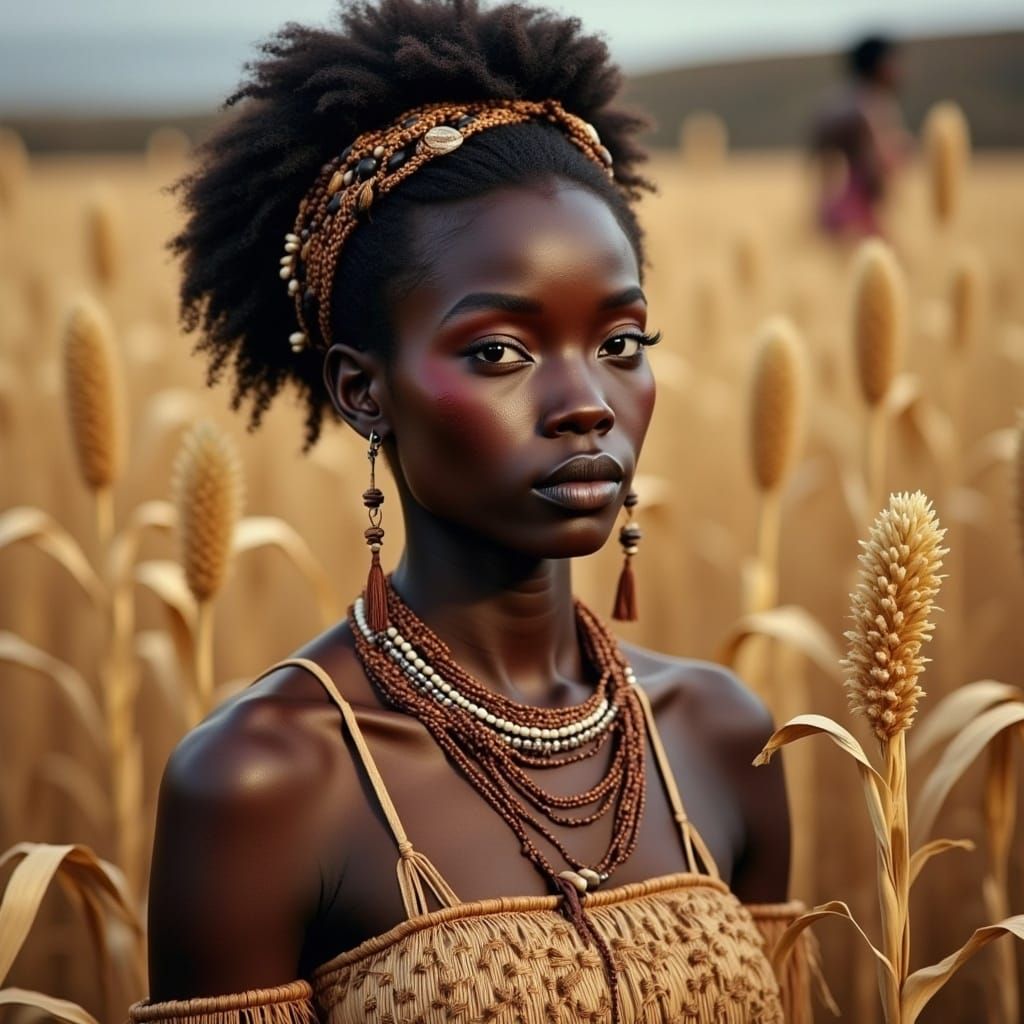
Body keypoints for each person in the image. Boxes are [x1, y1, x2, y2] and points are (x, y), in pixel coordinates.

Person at [127, 1, 818, 1021]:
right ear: (363, 391)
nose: (587, 400)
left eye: (621, 342)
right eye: (500, 350)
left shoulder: (719, 738)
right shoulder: (264, 783)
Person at [810, 34, 914, 239]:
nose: (899, 70)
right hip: (858, 216)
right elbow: (874, 173)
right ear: (878, 66)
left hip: (831, 212)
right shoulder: (869, 109)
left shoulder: (835, 105)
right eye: (892, 62)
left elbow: (819, 166)